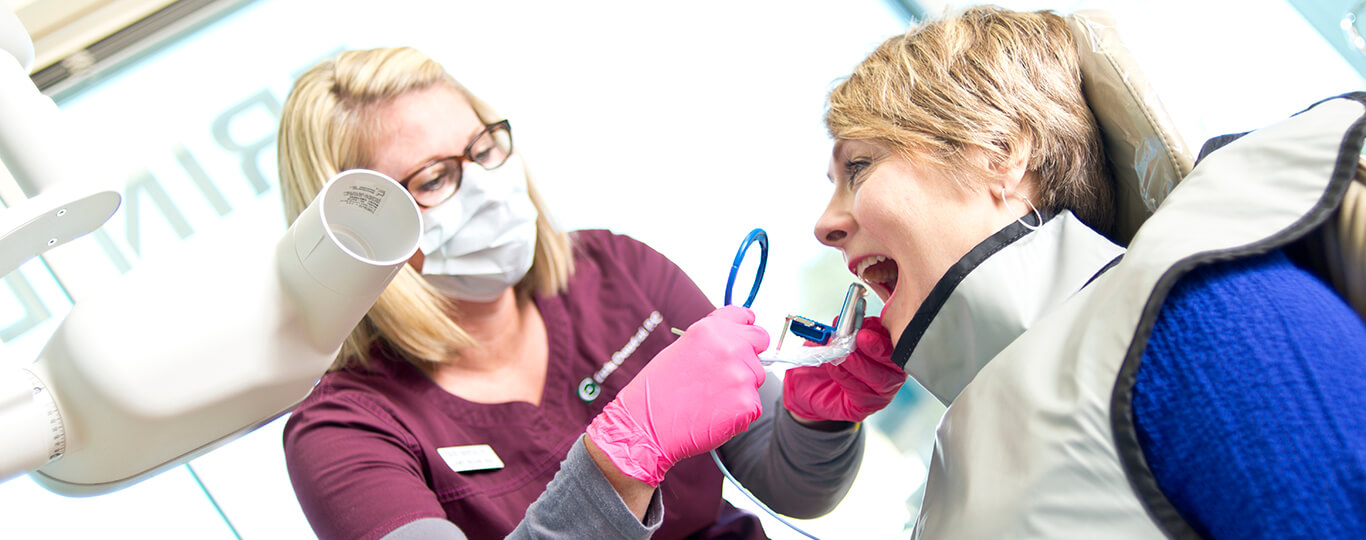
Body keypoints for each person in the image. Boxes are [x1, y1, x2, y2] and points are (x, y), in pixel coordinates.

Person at [811, 5, 1366, 539]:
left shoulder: (1201, 322)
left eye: (859, 167)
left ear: (1000, 153)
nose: (825, 225)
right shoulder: (978, 434)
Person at [276, 47, 904, 540]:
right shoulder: (344, 431)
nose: (489, 187)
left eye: (485, 147)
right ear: (354, 236)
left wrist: (818, 419)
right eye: (436, 177)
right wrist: (625, 456)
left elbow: (790, 485)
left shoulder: (613, 268)